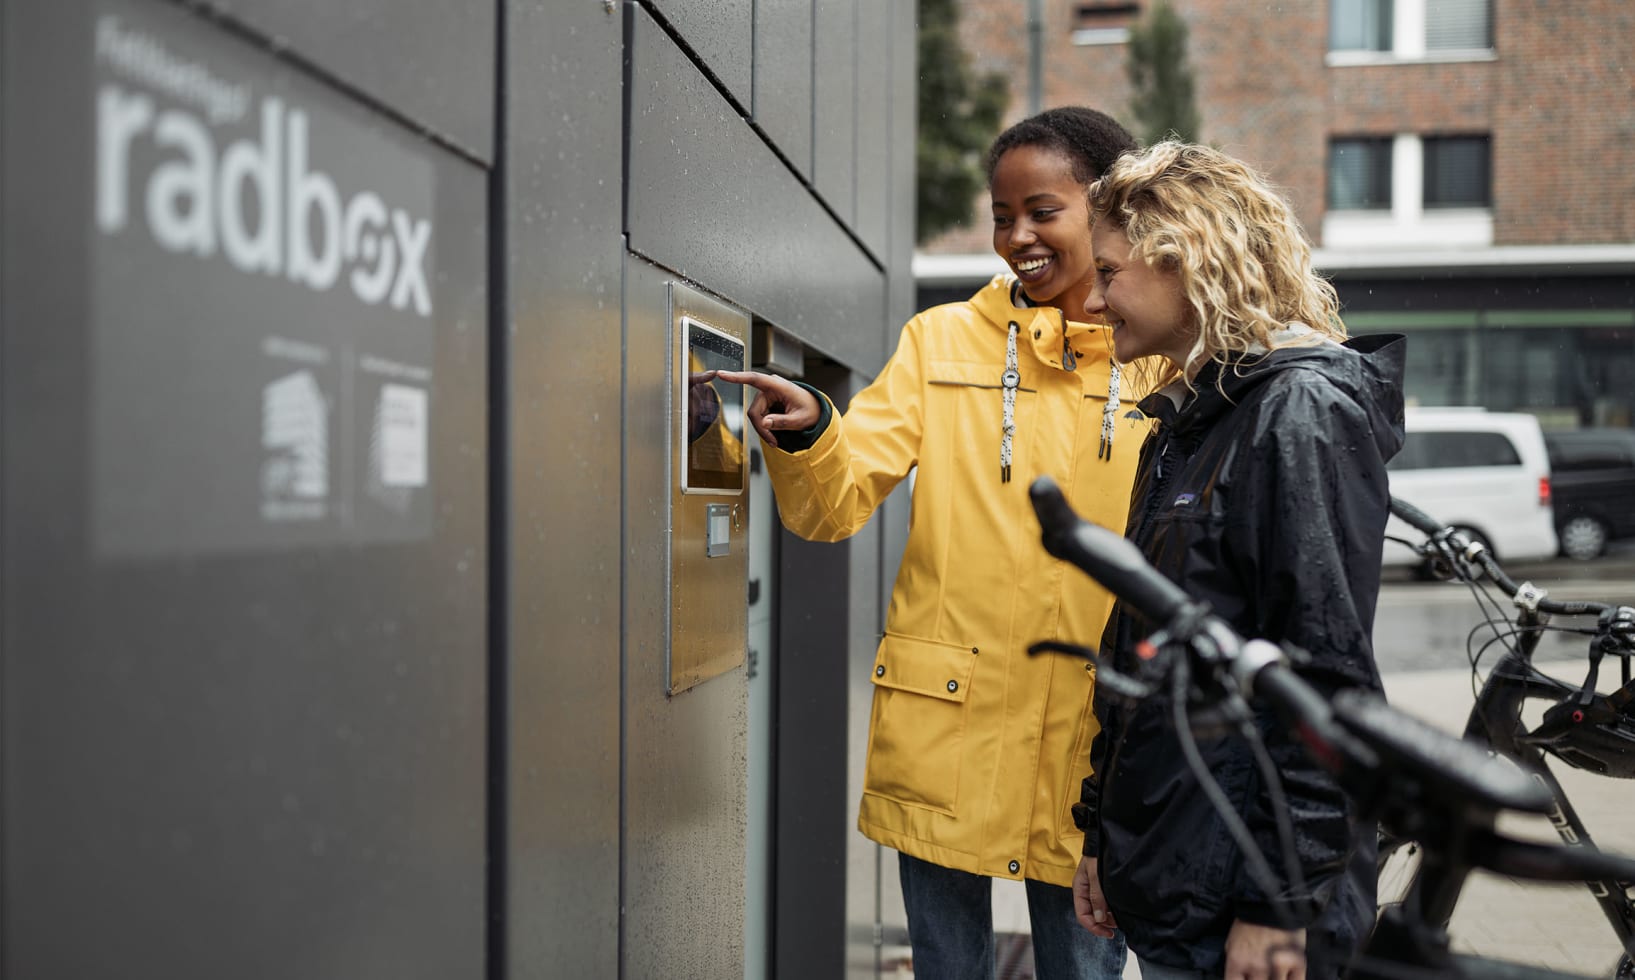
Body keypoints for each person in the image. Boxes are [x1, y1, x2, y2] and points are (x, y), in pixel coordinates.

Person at [714, 107, 1148, 979]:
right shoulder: (940, 341)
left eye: (1041, 210)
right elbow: (834, 504)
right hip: (948, 728)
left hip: (1096, 750)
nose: (1015, 236)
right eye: (1000, 215)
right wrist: (809, 435)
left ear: (1107, 207)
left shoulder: (1159, 351)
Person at [1068, 141, 1406, 980]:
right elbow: (1141, 661)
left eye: (1108, 272)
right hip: (1178, 880)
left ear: (1187, 259)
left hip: (1246, 911)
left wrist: (1278, 907)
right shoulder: (1188, 421)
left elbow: (1324, 683)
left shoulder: (1298, 412)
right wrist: (1099, 840)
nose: (1092, 298)